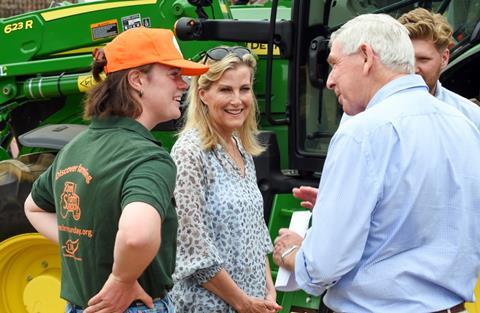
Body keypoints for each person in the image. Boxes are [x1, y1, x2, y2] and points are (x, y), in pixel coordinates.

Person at [272, 14, 480, 313]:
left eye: (334, 63)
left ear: (367, 57)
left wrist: (292, 251)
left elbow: (325, 264)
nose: (330, 80)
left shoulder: (362, 133)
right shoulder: (465, 124)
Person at [24, 27, 208, 313]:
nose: (184, 84)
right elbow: (137, 235)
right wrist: (123, 279)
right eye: (173, 74)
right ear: (137, 80)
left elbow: (33, 208)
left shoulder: (75, 147)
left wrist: (83, 243)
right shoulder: (149, 158)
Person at [170, 46, 281, 313]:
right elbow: (191, 246)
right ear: (203, 94)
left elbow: (256, 232)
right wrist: (242, 302)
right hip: (210, 306)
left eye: (244, 89)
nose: (237, 100)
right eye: (225, 90)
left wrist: (268, 289)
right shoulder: (189, 153)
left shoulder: (239, 147)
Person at [398, 7, 480, 128]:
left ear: (444, 58)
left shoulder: (470, 118)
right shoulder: (371, 111)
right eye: (406, 59)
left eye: (423, 59)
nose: (414, 69)